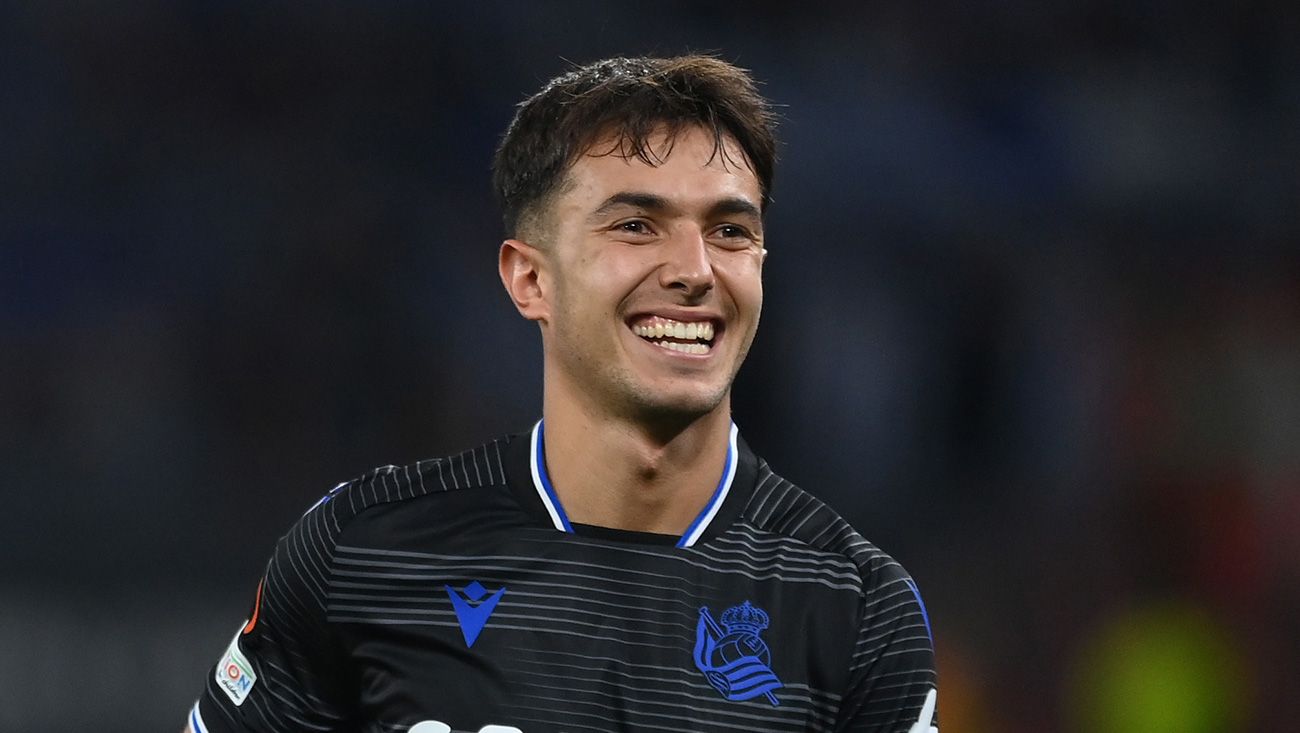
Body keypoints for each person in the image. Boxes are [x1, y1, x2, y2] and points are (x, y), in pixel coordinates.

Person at [186, 54, 938, 733]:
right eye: (637, 225)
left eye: (731, 232)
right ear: (530, 278)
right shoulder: (364, 551)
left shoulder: (855, 606)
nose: (694, 269)